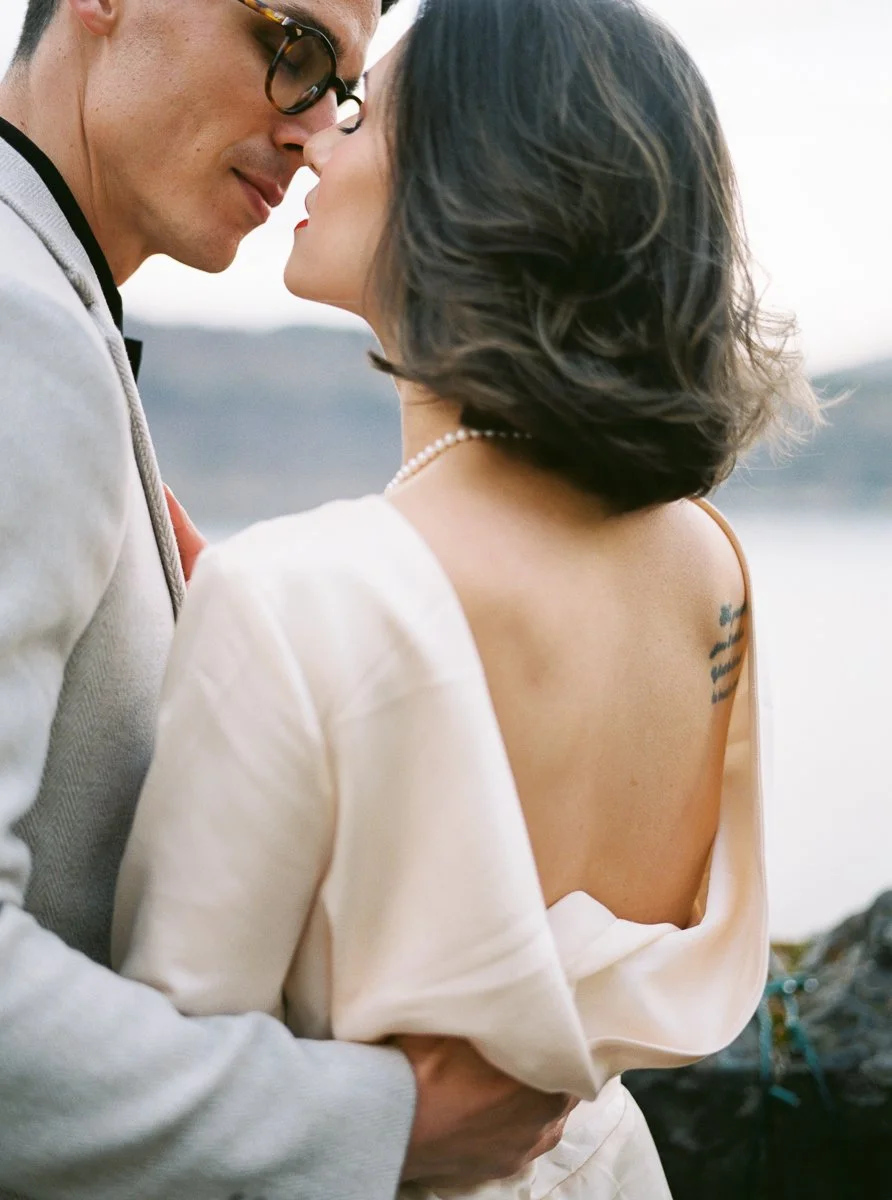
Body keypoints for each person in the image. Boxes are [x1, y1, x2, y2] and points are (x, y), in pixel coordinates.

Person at [112, 0, 821, 1196]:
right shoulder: (710, 566)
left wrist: (251, 642)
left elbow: (167, 1105)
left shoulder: (298, 596)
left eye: (362, 113)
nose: (310, 142)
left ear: (471, 179)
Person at [0, 0, 573, 1197]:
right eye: (292, 48)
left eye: (341, 94)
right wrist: (374, 1125)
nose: (313, 132)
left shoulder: (52, 314)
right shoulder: (22, 334)